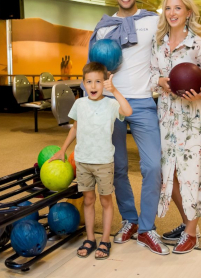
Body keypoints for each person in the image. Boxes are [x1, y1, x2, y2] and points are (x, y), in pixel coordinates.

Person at [88, 0, 201, 255]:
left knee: (154, 167)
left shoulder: (152, 21)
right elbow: (92, 69)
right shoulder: (103, 28)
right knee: (117, 167)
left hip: (144, 102)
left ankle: (146, 228)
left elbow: (181, 39)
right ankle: (130, 220)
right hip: (110, 102)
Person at [151, 0, 201, 254]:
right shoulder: (158, 44)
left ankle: (191, 233)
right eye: (168, 8)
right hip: (167, 116)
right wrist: (160, 81)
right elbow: (151, 75)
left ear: (188, 12)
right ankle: (188, 223)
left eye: (178, 8)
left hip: (193, 117)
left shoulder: (198, 45)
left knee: (192, 173)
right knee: (169, 173)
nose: (172, 13)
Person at [49, 62, 132, 260]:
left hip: (103, 162)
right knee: (88, 200)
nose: (93, 86)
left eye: (98, 82)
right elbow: (75, 128)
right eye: (89, 82)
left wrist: (115, 91)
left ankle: (105, 240)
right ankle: (90, 239)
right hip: (83, 161)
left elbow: (128, 111)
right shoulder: (80, 104)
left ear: (104, 83)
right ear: (83, 83)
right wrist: (63, 150)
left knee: (105, 201)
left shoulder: (111, 104)